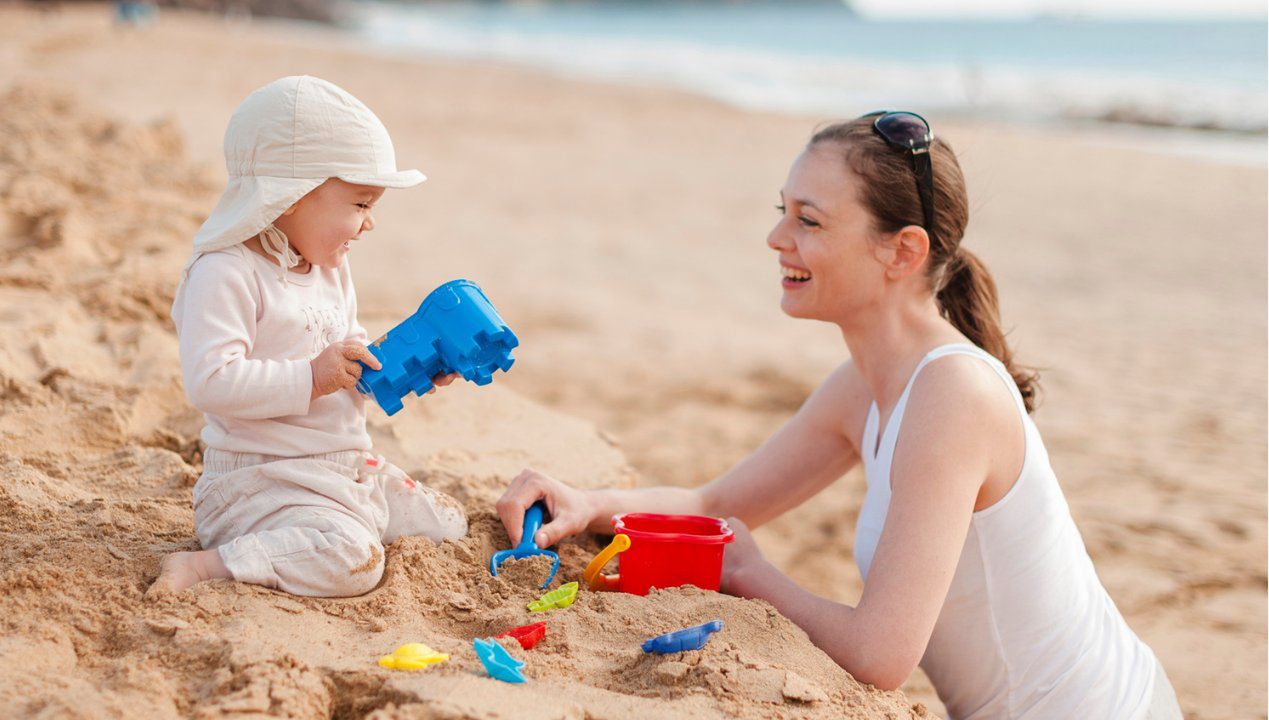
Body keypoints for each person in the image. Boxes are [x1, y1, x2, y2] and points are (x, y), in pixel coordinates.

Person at [495, 112, 1183, 719]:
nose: (775, 236)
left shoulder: (953, 397)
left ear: (901, 251)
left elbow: (881, 655)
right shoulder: (866, 384)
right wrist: (586, 505)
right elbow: (716, 502)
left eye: (809, 220)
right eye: (782, 210)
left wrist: (751, 574)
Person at [150, 76, 467, 598]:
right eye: (361, 204)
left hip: (341, 466)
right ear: (291, 196)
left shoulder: (328, 267)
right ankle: (208, 564)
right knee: (355, 562)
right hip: (258, 483)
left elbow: (352, 366)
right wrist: (311, 376)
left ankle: (338, 520)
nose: (369, 225)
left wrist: (413, 367)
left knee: (449, 523)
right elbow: (211, 381)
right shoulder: (225, 272)